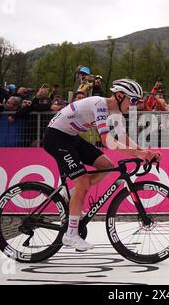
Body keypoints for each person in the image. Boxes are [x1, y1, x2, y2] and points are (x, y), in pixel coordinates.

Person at [42, 78, 162, 251]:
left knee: (106, 165)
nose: (135, 105)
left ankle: (71, 196)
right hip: (56, 137)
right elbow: (107, 141)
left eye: (138, 101)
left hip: (70, 137)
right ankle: (70, 235)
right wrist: (139, 154)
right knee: (83, 182)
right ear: (120, 96)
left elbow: (122, 139)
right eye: (133, 100)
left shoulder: (117, 114)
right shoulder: (100, 104)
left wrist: (145, 152)